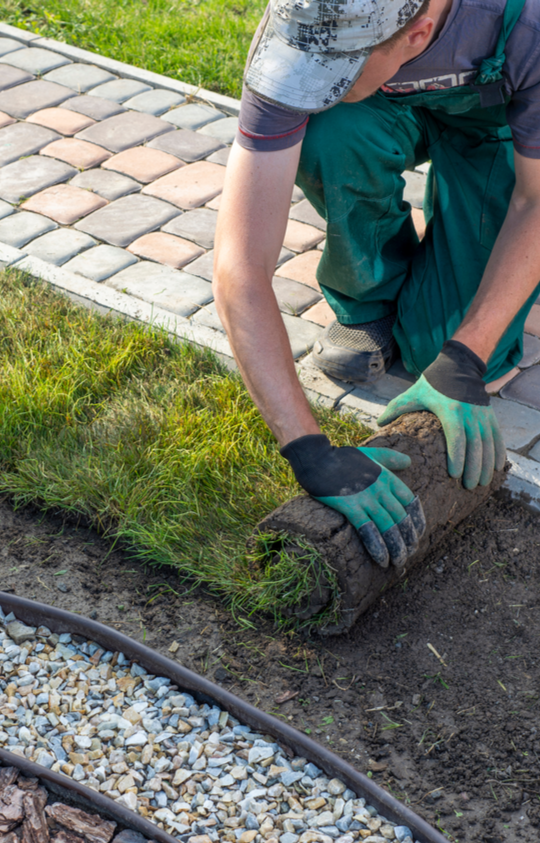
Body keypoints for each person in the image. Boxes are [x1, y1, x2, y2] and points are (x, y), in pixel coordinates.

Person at [213, 0, 540, 569]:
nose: (307, 83)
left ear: (418, 35)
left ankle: (454, 256)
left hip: (500, 127)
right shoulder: (305, 26)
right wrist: (307, 450)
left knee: (440, 356)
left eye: (334, 70)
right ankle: (371, 299)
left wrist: (464, 357)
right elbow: (239, 263)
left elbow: (537, 202)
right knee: (326, 126)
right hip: (383, 111)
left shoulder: (527, 25)